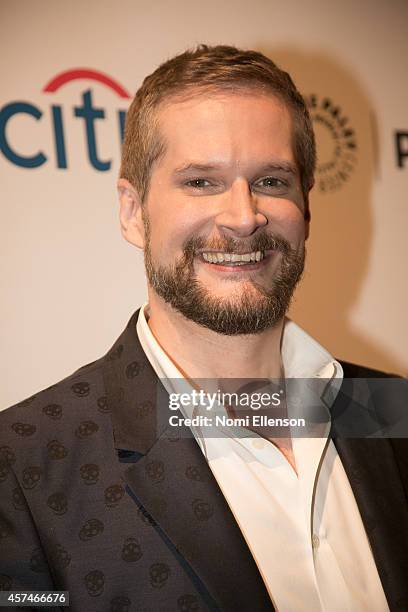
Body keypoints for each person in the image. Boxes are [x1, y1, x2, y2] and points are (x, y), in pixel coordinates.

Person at [0, 45, 407, 612]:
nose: (244, 216)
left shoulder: (393, 412)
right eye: (201, 182)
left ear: (305, 208)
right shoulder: (22, 466)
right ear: (133, 211)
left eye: (270, 180)